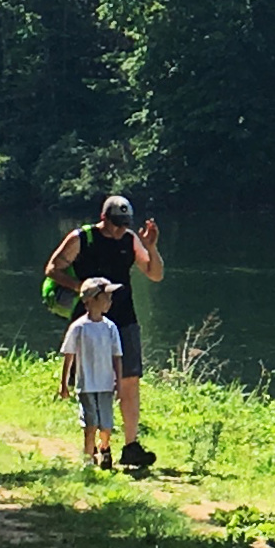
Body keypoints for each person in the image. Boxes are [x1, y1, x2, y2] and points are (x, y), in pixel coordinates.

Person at [46, 193, 165, 454]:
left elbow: (155, 275)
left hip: (124, 317)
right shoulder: (82, 238)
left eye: (124, 223)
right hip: (92, 319)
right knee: (98, 382)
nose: (119, 229)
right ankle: (100, 444)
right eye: (115, 223)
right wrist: (82, 288)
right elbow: (53, 269)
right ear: (103, 218)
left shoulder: (130, 239)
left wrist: (151, 247)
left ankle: (131, 445)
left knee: (130, 379)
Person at [56, 278, 124, 472]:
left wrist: (118, 383)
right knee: (90, 423)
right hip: (86, 385)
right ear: (91, 300)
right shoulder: (79, 327)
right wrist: (63, 384)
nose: (110, 302)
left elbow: (117, 357)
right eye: (106, 297)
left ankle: (104, 447)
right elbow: (69, 356)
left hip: (105, 385)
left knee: (106, 424)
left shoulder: (110, 327)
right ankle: (88, 460)